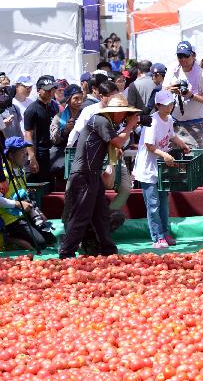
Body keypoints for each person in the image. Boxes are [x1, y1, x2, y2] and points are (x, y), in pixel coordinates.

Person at [61, 96, 141, 258]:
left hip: (93, 174)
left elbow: (113, 144)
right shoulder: (101, 120)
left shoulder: (106, 123)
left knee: (101, 215)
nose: (125, 116)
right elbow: (117, 142)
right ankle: (66, 252)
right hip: (84, 174)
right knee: (81, 215)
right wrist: (131, 126)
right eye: (124, 113)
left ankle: (108, 249)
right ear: (115, 112)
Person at [133, 90, 190, 249]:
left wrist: (183, 144)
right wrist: (164, 154)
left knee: (164, 202)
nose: (170, 107)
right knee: (153, 204)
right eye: (166, 105)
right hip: (148, 169)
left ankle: (165, 233)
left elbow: (171, 135)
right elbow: (149, 146)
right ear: (158, 106)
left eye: (171, 104)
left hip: (161, 168)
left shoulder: (169, 119)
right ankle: (157, 236)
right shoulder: (153, 121)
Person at [0, 137, 57, 252]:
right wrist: (17, 204)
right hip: (9, 220)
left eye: (24, 150)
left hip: (23, 215)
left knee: (51, 239)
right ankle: (8, 238)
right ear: (11, 155)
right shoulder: (4, 175)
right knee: (39, 244)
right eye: (21, 151)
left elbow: (26, 197)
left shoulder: (21, 172)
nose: (25, 154)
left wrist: (39, 213)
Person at [165, 41, 203, 152]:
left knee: (192, 161)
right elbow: (162, 93)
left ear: (193, 55)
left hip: (194, 124)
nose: (183, 59)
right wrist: (169, 90)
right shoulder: (172, 70)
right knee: (175, 161)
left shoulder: (202, 74)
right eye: (179, 56)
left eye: (186, 55)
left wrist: (191, 95)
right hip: (174, 122)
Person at [23, 75, 59, 187]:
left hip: (51, 154)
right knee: (39, 190)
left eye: (52, 89)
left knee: (51, 189)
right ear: (39, 90)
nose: (50, 92)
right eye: (47, 90)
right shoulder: (32, 109)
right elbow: (28, 134)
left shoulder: (52, 107)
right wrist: (32, 158)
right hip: (39, 155)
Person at [49, 84, 84, 177]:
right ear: (68, 99)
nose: (79, 101)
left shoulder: (86, 115)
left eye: (81, 98)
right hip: (64, 157)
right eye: (76, 98)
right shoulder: (59, 117)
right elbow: (54, 140)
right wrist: (65, 130)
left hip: (83, 155)